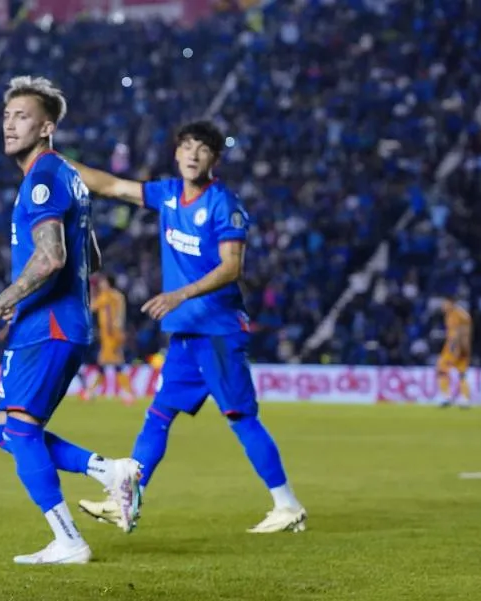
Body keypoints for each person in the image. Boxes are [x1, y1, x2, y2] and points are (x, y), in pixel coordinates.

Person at [71, 121, 307, 534]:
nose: (193, 154)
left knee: (240, 417)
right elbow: (111, 186)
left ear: (214, 159)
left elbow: (232, 267)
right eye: (187, 146)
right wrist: (54, 162)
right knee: (158, 415)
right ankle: (125, 499)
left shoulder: (223, 204)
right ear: (176, 153)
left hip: (216, 329)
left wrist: (180, 295)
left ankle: (286, 505)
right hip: (187, 335)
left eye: (202, 148)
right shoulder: (166, 194)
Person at [0, 76, 142, 564]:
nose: (9, 125)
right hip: (47, 323)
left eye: (20, 117)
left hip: (50, 325)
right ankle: (109, 471)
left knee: (20, 431)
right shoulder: (65, 176)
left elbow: (52, 258)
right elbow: (92, 256)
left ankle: (68, 539)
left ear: (46, 127)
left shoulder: (43, 178)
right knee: (6, 431)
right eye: (6, 117)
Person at [89, 274, 135, 404]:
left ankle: (128, 394)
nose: (101, 285)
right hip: (116, 334)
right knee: (107, 363)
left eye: (102, 282)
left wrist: (92, 291)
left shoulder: (106, 296)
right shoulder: (118, 296)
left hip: (110, 335)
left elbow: (92, 307)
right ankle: (91, 391)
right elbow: (120, 315)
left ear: (108, 283)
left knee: (113, 363)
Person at [437, 296, 473, 409]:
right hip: (464, 347)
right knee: (462, 373)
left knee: (441, 369)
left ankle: (446, 397)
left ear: (451, 303)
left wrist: (455, 348)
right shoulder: (463, 314)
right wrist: (465, 348)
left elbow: (457, 333)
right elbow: (467, 332)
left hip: (454, 347)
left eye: (445, 303)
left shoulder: (454, 315)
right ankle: (465, 399)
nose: (443, 306)